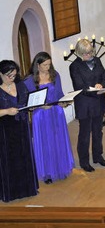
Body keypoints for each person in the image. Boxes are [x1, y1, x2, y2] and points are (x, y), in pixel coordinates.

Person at [24, 52, 74, 183]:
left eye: (49, 64)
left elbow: (59, 94)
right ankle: (47, 173)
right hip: (41, 116)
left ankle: (61, 168)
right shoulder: (29, 81)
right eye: (45, 65)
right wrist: (40, 107)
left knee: (58, 140)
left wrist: (64, 102)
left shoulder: (55, 75)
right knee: (46, 142)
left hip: (56, 113)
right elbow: (28, 103)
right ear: (37, 65)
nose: (48, 67)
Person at [70, 39, 105, 172]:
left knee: (98, 131)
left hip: (98, 102)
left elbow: (104, 78)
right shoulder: (74, 66)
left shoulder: (97, 61)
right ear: (80, 53)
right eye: (86, 54)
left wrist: (102, 85)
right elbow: (79, 86)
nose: (90, 55)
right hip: (85, 103)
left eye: (91, 52)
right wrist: (96, 89)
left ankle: (98, 156)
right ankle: (84, 161)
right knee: (85, 134)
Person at [0, 60, 39, 202]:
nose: (12, 78)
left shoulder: (20, 85)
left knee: (24, 156)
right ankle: (12, 192)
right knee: (10, 160)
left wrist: (32, 106)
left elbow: (27, 101)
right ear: (1, 74)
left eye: (14, 75)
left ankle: (27, 189)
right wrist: (6, 111)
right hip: (5, 130)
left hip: (22, 126)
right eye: (9, 76)